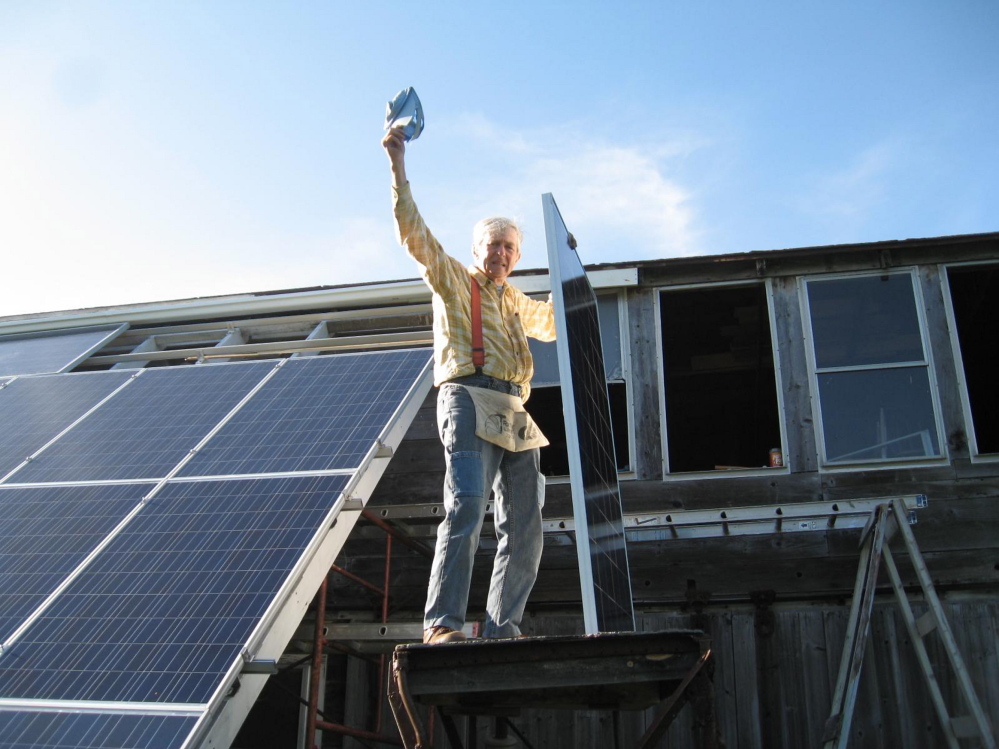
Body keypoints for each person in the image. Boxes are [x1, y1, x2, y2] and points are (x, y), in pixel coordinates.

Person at [381, 126, 556, 644]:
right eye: (492, 245)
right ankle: (442, 624)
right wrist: (397, 166)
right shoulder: (457, 280)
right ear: (476, 249)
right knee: (467, 503)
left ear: (517, 255)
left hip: (514, 408)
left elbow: (557, 320)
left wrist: (575, 279)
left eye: (508, 247)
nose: (500, 253)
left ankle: (503, 629)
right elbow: (414, 234)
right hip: (468, 394)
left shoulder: (516, 300)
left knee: (525, 524)